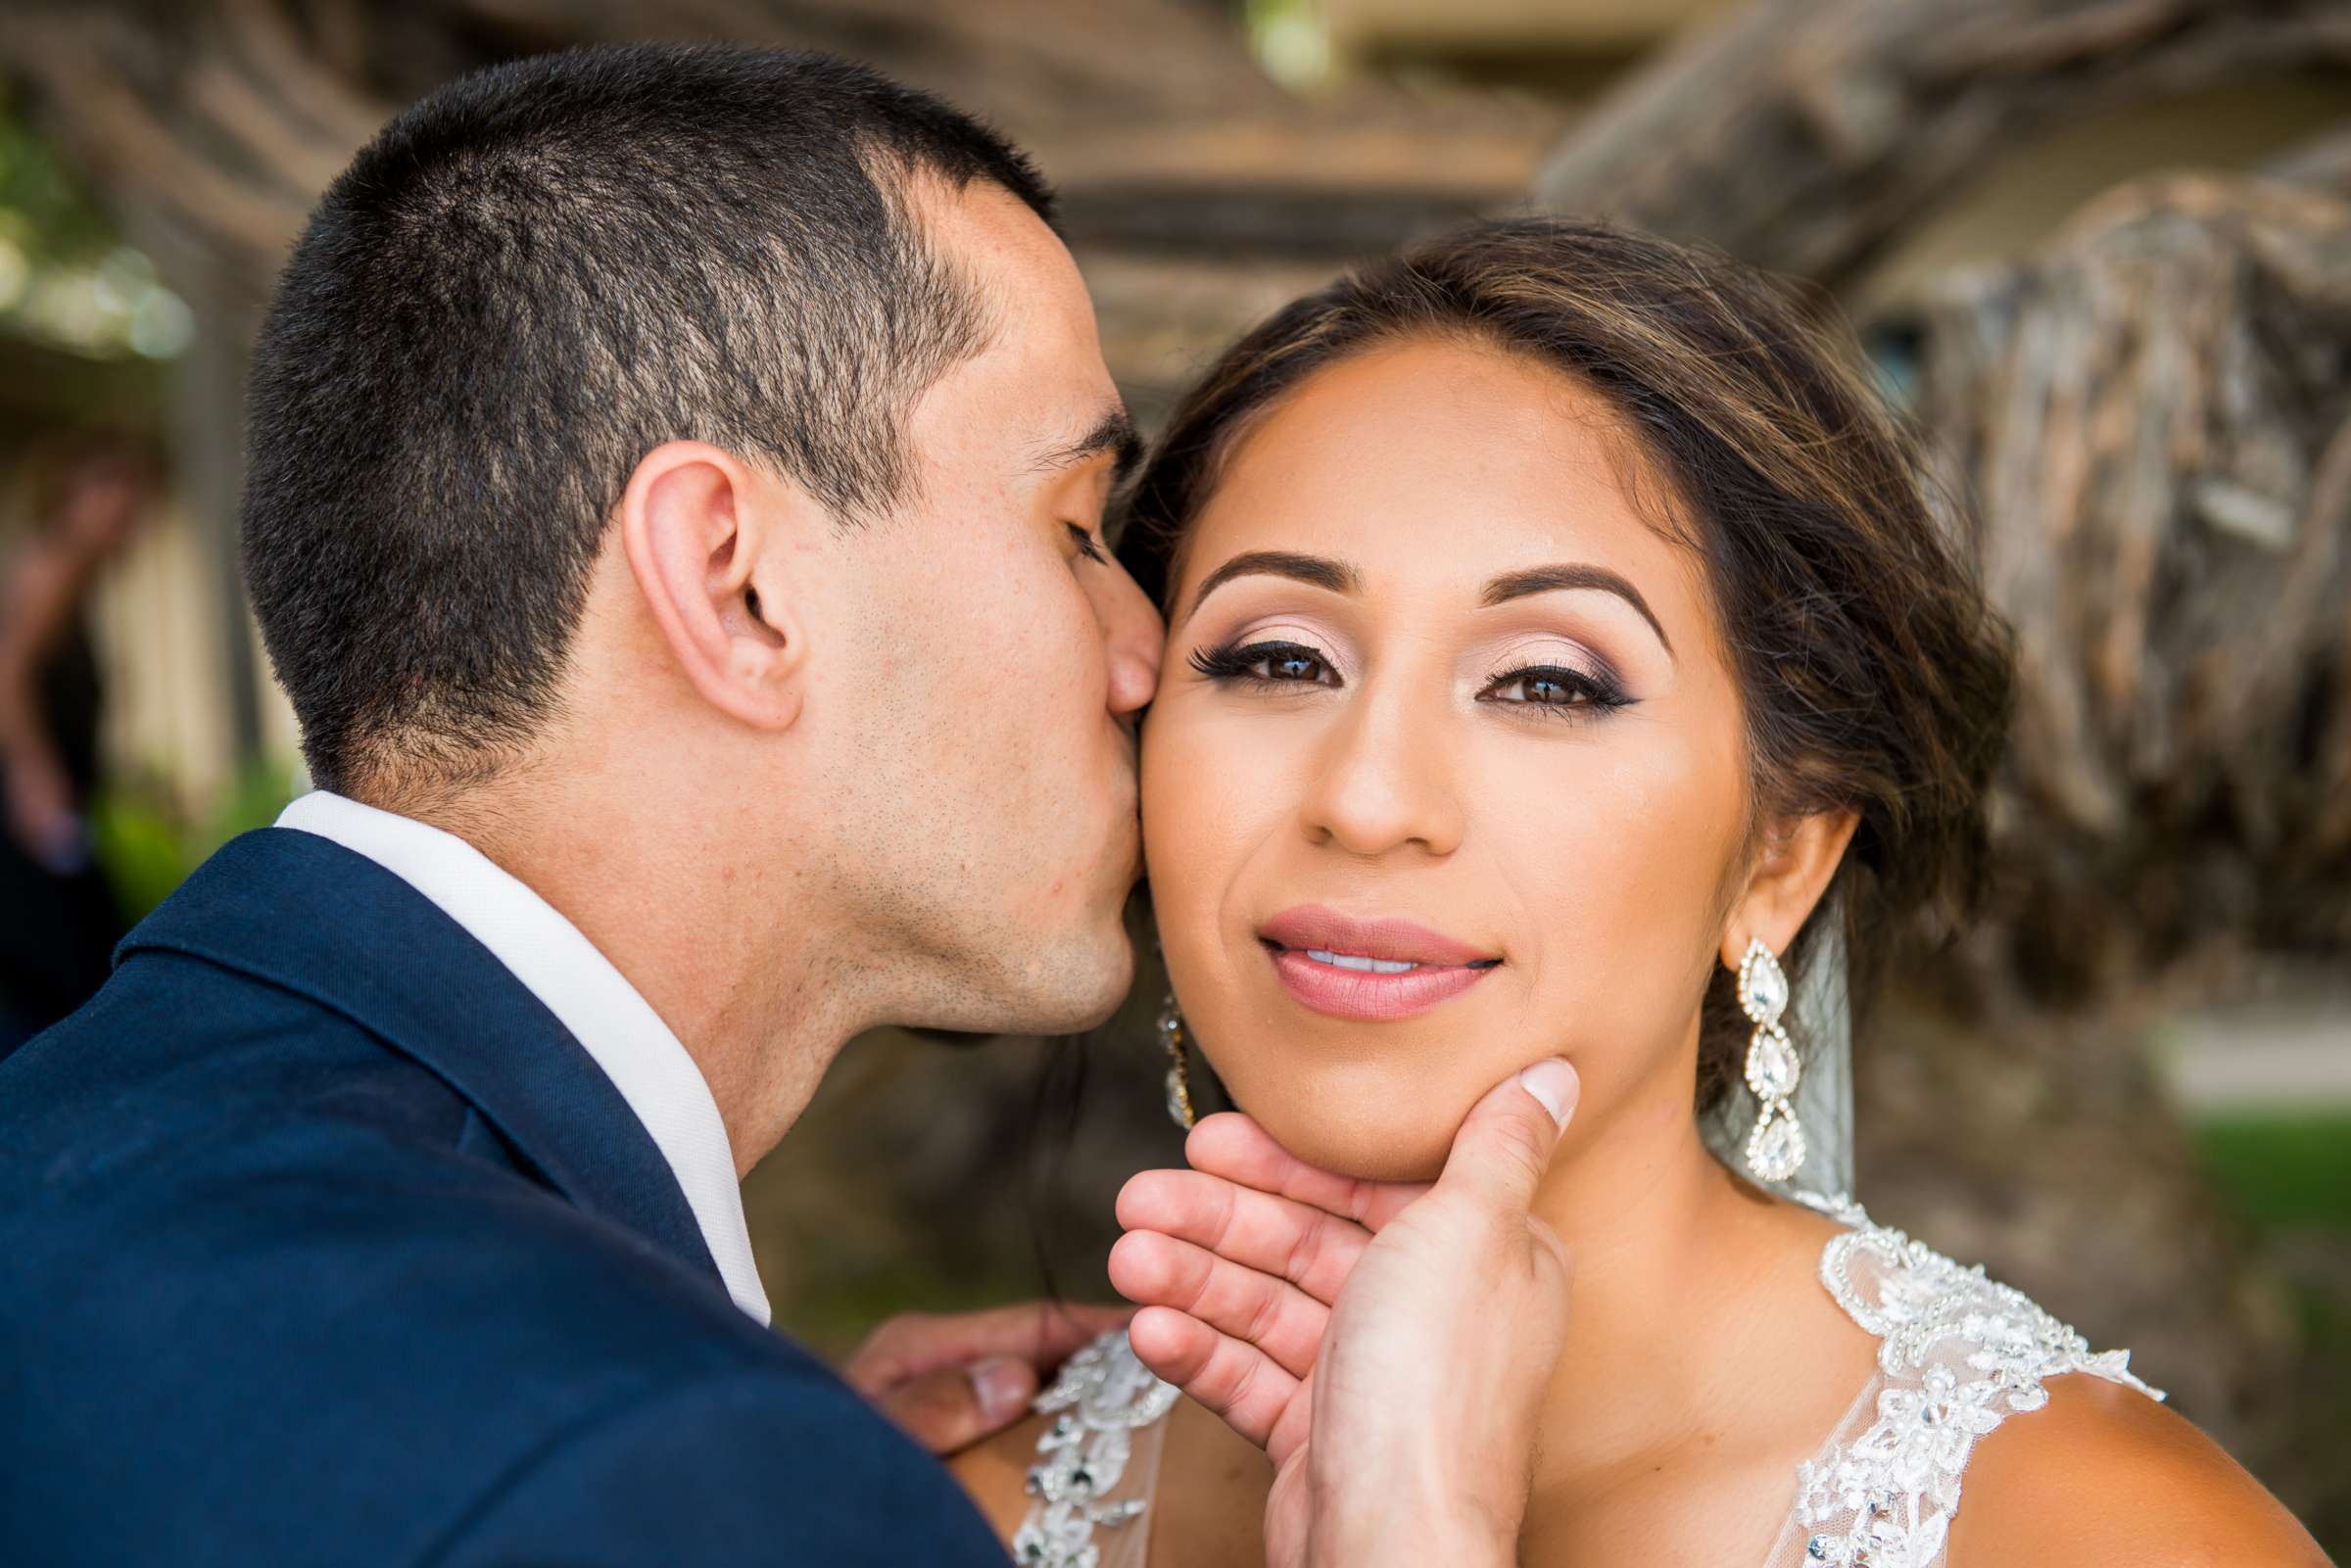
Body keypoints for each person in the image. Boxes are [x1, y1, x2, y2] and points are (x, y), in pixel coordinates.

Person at [0, 45, 1574, 1568]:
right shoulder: (654, 1468)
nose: (1145, 654)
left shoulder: (72, 1141)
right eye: (1078, 527)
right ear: (736, 587)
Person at [946, 219, 2330, 1567]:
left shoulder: (2098, 1534)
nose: (1365, 800)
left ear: (1783, 852)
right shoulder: (949, 1509)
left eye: (1547, 682)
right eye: (1279, 660)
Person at [0, 437, 153, 1054]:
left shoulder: (76, 577)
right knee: (73, 969)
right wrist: (35, 783)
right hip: (32, 815)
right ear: (72, 493)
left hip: (54, 807)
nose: (126, 509)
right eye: (110, 487)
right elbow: (6, 677)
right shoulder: (52, 568)